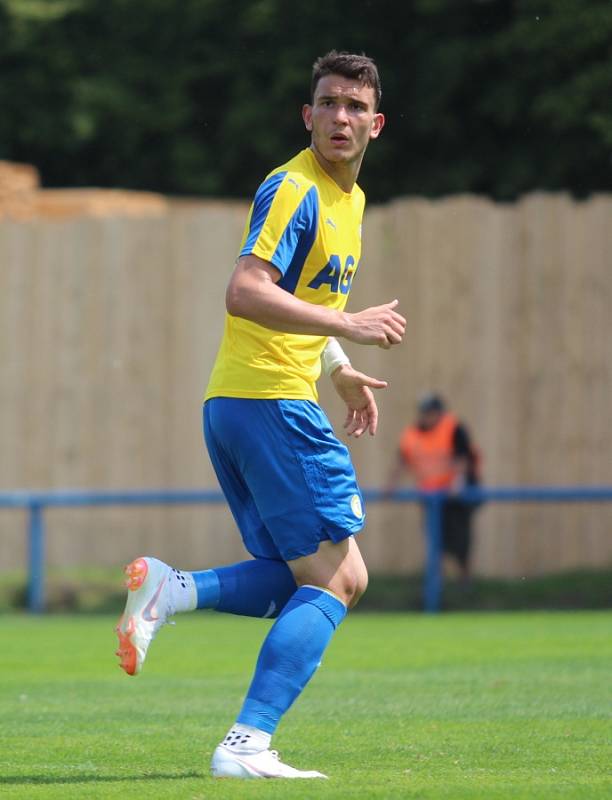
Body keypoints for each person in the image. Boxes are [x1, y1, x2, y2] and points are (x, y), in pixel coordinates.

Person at [115, 51, 405, 779]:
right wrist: (350, 329)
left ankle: (172, 590)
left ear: (377, 122)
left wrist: (336, 370)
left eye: (354, 106)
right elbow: (245, 290)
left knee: (293, 574)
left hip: (247, 404)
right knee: (341, 581)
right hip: (269, 403)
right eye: (328, 103)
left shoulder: (352, 202)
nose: (341, 117)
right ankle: (246, 744)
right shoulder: (292, 188)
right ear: (306, 116)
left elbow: (306, 300)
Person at [386, 393, 481, 581]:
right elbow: (402, 461)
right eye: (424, 412)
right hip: (430, 495)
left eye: (430, 412)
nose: (426, 416)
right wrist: (391, 485)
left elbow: (464, 458)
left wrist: (458, 482)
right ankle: (436, 584)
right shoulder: (412, 434)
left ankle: (464, 580)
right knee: (435, 541)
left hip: (455, 497)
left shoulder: (453, 427)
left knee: (460, 540)